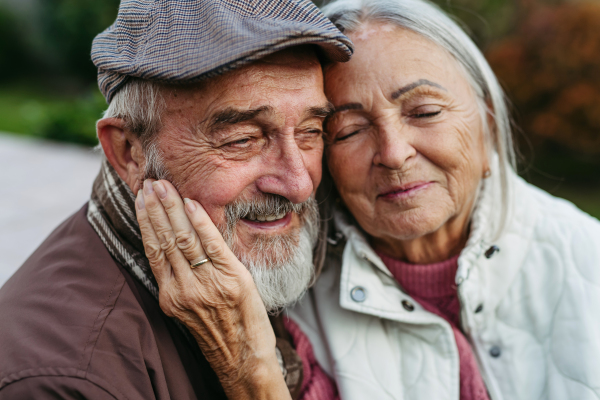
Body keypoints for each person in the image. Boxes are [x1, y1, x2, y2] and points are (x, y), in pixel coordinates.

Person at [0, 0, 352, 398]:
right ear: (130, 151)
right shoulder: (65, 383)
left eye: (310, 130)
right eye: (243, 140)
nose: (299, 184)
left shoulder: (244, 248)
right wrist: (251, 378)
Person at [285, 0, 600, 399]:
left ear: (488, 125)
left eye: (425, 112)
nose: (394, 153)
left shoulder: (590, 261)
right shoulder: (295, 307)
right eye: (348, 131)